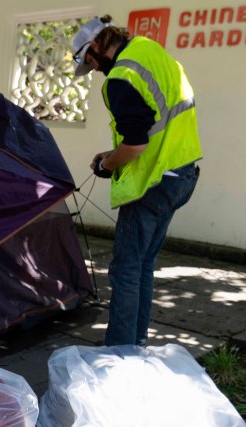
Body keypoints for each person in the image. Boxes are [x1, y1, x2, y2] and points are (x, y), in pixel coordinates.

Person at [72, 15, 202, 346]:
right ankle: (137, 343)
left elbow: (136, 144)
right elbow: (153, 125)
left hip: (153, 182)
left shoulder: (121, 77)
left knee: (126, 269)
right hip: (182, 173)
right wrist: (112, 154)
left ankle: (120, 354)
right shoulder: (149, 51)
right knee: (143, 264)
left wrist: (107, 166)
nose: (96, 69)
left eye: (91, 61)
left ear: (98, 44)